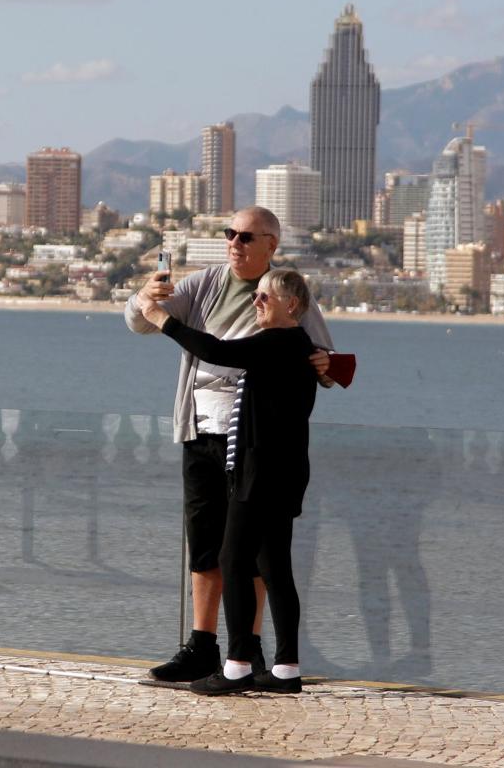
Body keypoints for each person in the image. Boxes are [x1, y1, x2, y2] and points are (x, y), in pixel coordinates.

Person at [124, 206, 333, 682]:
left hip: (250, 439)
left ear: (270, 246)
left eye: (246, 237)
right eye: (230, 234)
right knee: (205, 544)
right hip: (199, 430)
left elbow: (322, 355)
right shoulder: (205, 283)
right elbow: (137, 323)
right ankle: (204, 646)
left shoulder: (286, 293)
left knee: (250, 553)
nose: (235, 243)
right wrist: (144, 298)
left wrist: (323, 364)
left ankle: (249, 653)